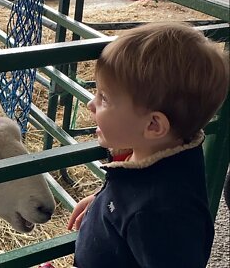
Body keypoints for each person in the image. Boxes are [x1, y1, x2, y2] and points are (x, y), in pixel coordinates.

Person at [67, 22, 229, 268]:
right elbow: (137, 195)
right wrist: (105, 204)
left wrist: (123, 211)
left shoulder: (161, 214)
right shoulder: (166, 154)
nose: (91, 105)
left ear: (154, 125)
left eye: (104, 98)